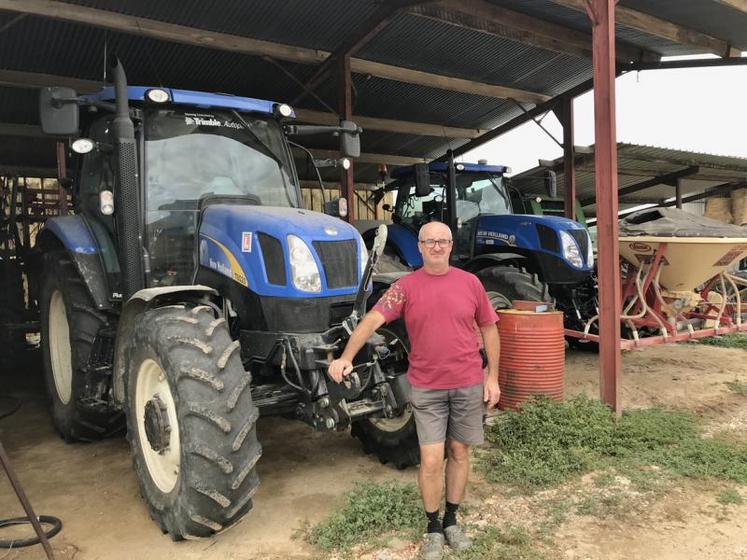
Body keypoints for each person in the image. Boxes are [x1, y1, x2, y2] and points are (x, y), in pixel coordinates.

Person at [328, 221, 501, 560]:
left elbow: (489, 329)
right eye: (429, 241)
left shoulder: (471, 283)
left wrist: (492, 377)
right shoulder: (405, 287)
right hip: (426, 387)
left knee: (460, 452)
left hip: (467, 382)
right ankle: (433, 527)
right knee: (432, 459)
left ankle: (452, 521)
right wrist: (346, 357)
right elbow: (371, 321)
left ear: (451, 246)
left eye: (443, 241)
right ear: (419, 247)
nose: (437, 247)